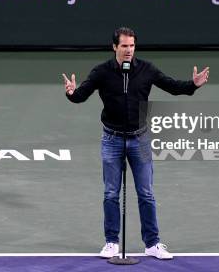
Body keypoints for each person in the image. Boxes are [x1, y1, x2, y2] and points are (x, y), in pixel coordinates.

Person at [62, 27, 209, 260]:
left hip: (139, 140)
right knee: (111, 193)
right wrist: (71, 93)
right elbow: (81, 95)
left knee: (146, 193)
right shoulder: (101, 72)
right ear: (114, 47)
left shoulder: (146, 70)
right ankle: (111, 242)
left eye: (132, 45)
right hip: (111, 139)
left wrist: (193, 84)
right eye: (124, 46)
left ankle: (152, 244)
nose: (129, 50)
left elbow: (172, 86)